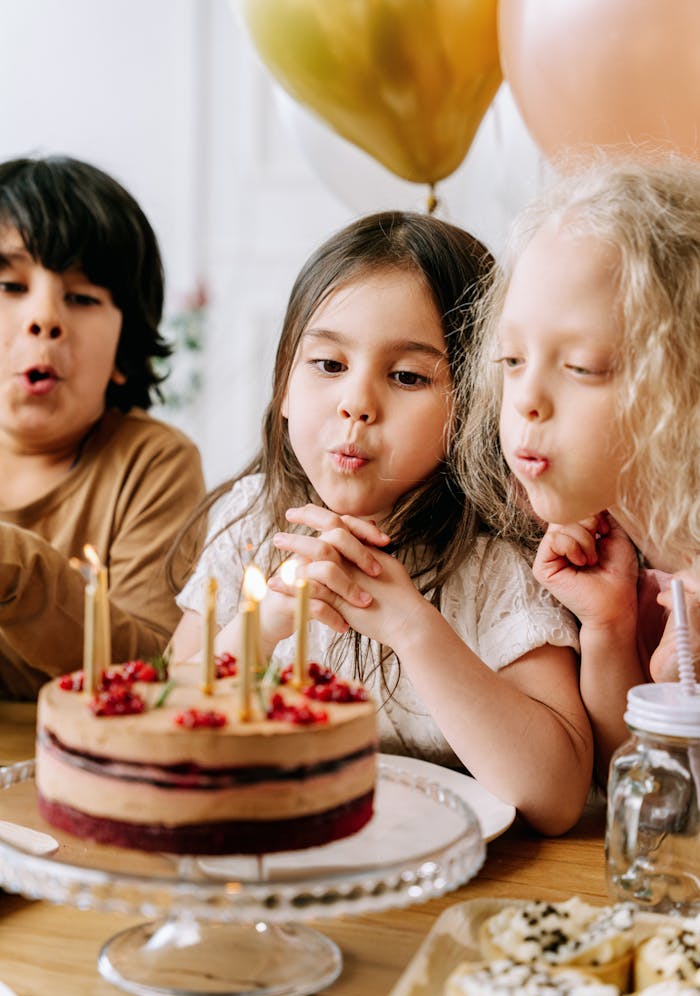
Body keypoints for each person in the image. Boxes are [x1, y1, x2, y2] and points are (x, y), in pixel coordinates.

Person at [171, 210, 592, 836]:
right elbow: (166, 717)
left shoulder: (497, 559)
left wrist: (414, 629)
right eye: (329, 365)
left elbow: (555, 797)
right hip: (274, 855)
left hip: (446, 878)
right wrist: (265, 624)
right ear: (285, 384)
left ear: (475, 404)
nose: (357, 404)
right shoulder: (251, 521)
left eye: (406, 376)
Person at [458, 154, 700, 785]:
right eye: (511, 359)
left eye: (584, 367)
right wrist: (611, 628)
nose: (526, 399)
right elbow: (629, 787)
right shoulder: (637, 552)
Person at [0, 155, 206, 700]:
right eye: (10, 285)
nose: (44, 318)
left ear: (124, 352)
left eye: (82, 297)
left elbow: (154, 671)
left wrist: (18, 571)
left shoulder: (152, 464)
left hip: (73, 770)